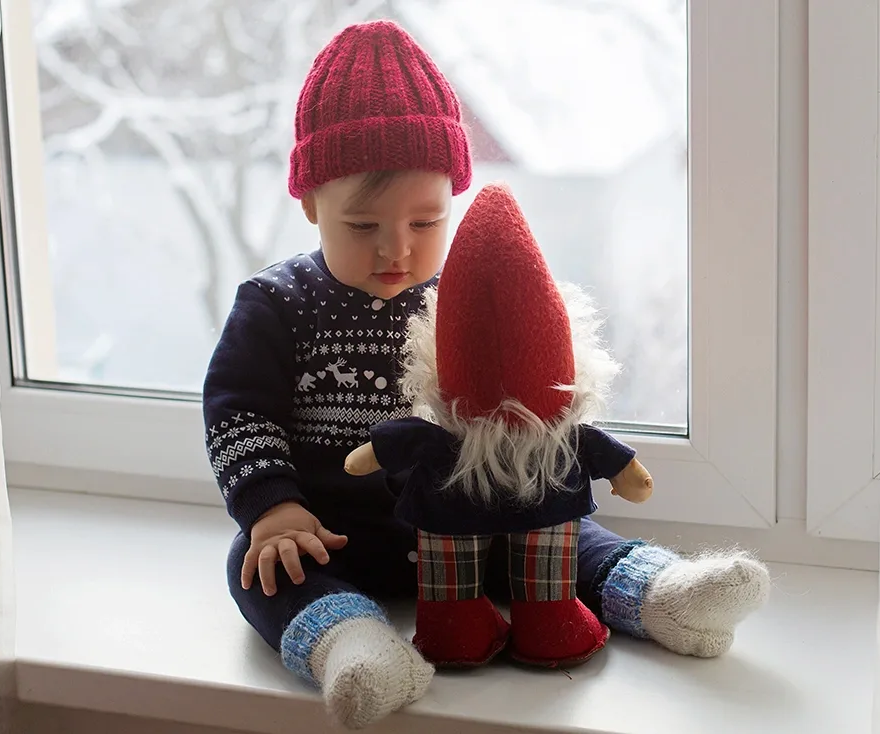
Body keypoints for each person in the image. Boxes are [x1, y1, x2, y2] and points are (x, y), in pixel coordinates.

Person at [202, 19, 772, 731]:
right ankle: (350, 642)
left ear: (454, 201)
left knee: (566, 535)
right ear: (311, 203)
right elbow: (238, 412)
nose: (396, 250)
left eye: (425, 221)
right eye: (361, 226)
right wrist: (271, 508)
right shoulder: (278, 305)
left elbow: (529, 393)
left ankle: (662, 593)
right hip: (334, 532)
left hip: (474, 527)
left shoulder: (461, 300)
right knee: (258, 571)